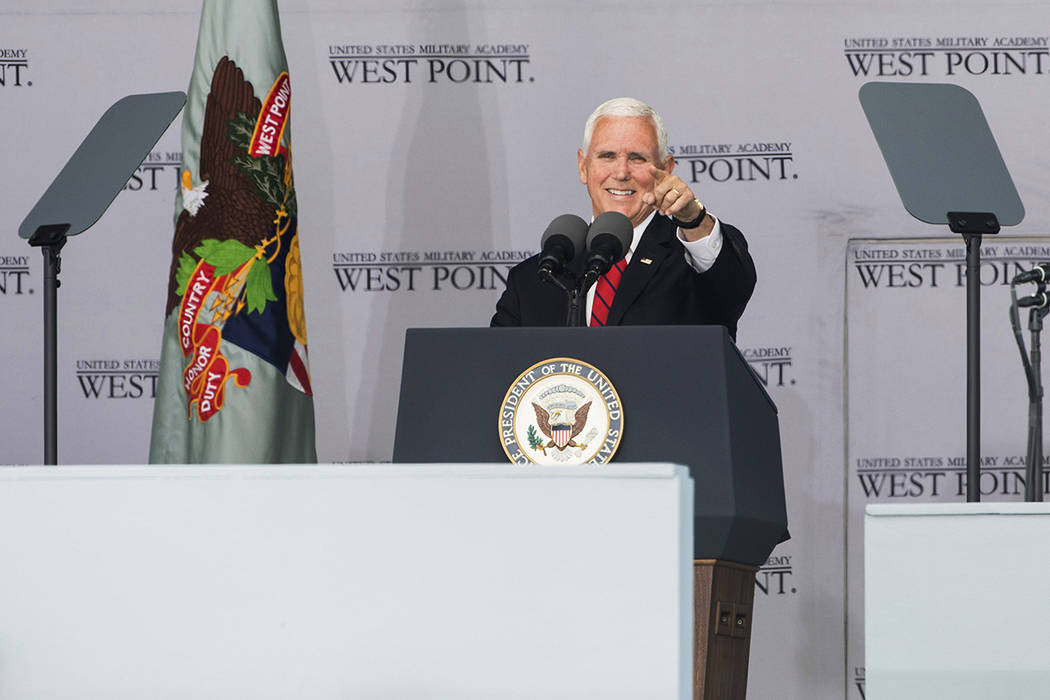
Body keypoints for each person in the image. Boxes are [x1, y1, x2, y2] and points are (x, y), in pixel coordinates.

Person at [490, 97, 756, 339]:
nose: (621, 172)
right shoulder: (533, 280)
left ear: (666, 169)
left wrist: (693, 219)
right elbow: (499, 372)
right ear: (583, 167)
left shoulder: (691, 262)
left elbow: (732, 285)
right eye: (607, 156)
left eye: (637, 158)